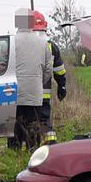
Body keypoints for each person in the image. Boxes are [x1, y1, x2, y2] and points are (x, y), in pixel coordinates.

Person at [14, 9, 53, 149]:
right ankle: (33, 149)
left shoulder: (11, 41)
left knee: (16, 122)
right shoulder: (42, 43)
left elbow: (2, 65)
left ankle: (15, 150)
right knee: (33, 122)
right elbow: (49, 69)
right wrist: (39, 82)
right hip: (35, 91)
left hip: (14, 91)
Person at [31, 11, 67, 143]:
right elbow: (60, 71)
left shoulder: (20, 45)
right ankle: (51, 144)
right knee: (44, 120)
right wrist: (62, 86)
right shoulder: (52, 47)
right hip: (43, 94)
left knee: (24, 120)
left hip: (24, 94)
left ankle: (25, 147)